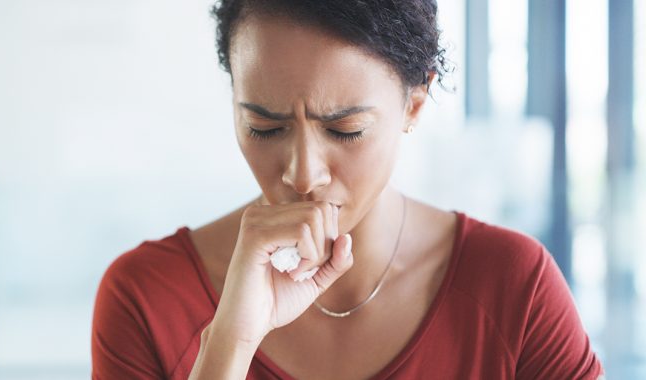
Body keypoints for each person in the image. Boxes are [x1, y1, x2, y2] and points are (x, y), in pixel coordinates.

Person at [91, 0, 605, 379]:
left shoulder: (515, 289)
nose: (302, 174)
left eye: (345, 130)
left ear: (414, 105)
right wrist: (229, 343)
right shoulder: (145, 296)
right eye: (265, 128)